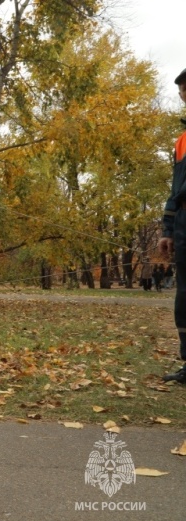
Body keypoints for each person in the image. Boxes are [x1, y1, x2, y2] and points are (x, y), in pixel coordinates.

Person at [157, 67, 186, 384]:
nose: (183, 95)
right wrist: (167, 231)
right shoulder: (181, 141)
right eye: (183, 92)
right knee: (184, 297)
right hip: (183, 223)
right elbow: (174, 189)